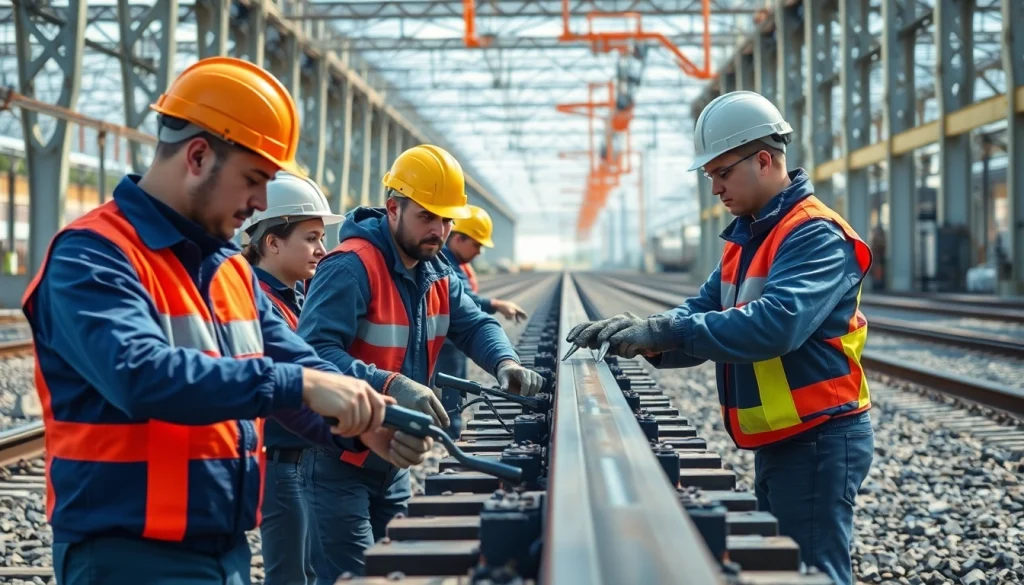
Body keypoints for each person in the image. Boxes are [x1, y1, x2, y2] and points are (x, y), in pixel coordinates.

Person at [20, 56, 433, 585]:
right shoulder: (92, 256)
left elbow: (292, 361)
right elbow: (142, 375)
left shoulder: (224, 270)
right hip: (126, 557)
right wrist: (306, 385)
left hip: (222, 551)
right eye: (254, 179)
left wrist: (360, 428)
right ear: (197, 156)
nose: (260, 202)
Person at [565, 90, 875, 585]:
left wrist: (667, 330)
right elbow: (701, 312)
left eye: (721, 173)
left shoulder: (814, 233)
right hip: (784, 436)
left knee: (814, 572)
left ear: (765, 160)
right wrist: (642, 335)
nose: (715, 188)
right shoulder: (747, 238)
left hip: (820, 436)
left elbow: (777, 324)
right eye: (711, 176)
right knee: (788, 569)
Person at [296, 144, 544, 581]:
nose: (440, 230)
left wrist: (504, 360)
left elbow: (473, 324)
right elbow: (313, 354)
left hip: (391, 460)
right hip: (338, 460)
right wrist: (389, 385)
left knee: (392, 571)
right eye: (427, 217)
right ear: (393, 208)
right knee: (350, 576)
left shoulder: (436, 272)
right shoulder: (350, 267)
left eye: (447, 219)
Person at [239, 171, 344, 585]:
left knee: (311, 570)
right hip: (282, 463)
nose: (322, 249)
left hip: (307, 458)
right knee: (290, 576)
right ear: (272, 241)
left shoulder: (298, 298)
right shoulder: (257, 301)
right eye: (312, 237)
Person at [436, 204, 529, 436]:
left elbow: (466, 305)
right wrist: (495, 304)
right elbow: (466, 302)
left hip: (450, 338)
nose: (479, 252)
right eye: (476, 244)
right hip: (448, 342)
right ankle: (450, 435)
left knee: (453, 388)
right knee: (452, 390)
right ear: (458, 239)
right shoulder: (445, 264)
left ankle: (449, 432)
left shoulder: (454, 263)